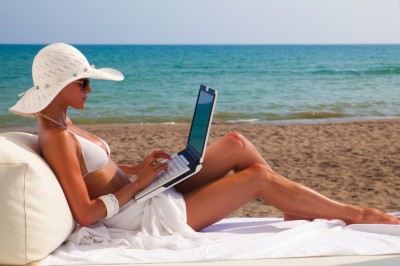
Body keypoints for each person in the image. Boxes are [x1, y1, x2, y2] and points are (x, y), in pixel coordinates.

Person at [9, 43, 399, 235]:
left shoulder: (61, 122)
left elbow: (95, 172)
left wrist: (138, 169)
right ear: (60, 86)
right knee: (256, 177)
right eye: (83, 81)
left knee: (236, 143)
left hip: (142, 192)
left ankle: (296, 206)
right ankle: (355, 213)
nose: (90, 89)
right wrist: (142, 183)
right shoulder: (56, 136)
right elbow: (86, 212)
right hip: (145, 217)